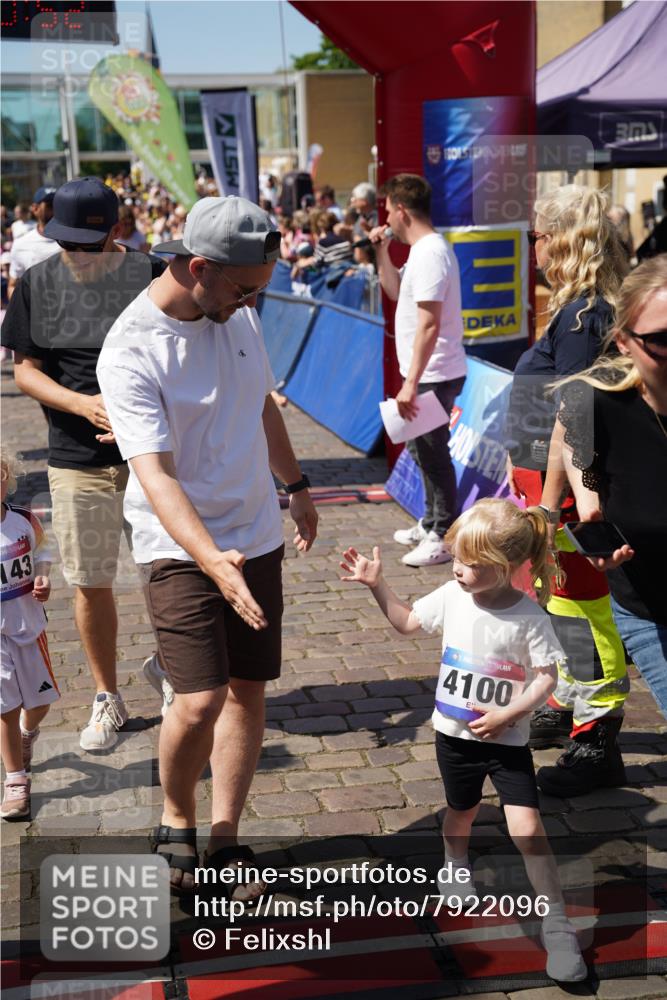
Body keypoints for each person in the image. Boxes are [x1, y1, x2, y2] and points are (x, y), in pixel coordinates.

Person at [96, 195, 318, 895]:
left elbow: (258, 404)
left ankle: (225, 839)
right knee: (197, 700)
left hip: (254, 531)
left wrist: (297, 484)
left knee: (247, 690)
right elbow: (154, 476)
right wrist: (209, 559)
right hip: (178, 544)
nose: (255, 300)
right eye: (246, 287)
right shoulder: (132, 347)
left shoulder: (239, 312)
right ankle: (174, 821)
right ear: (197, 268)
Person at [341, 498, 586, 983]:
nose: (458, 570)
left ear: (508, 567)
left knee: (527, 829)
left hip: (507, 742)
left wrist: (510, 713)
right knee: (462, 810)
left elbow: (546, 679)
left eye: (471, 564)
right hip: (454, 738)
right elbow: (408, 622)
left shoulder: (530, 617)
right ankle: (454, 863)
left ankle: (557, 923)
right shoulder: (452, 596)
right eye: (455, 558)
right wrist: (377, 585)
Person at [1, 177, 165, 752]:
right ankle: (107, 696)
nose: (75, 256)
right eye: (64, 243)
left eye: (86, 246)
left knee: (166, 571)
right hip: (76, 456)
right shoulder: (39, 281)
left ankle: (170, 668)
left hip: (154, 453)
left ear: (117, 234)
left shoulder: (152, 276)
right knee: (92, 580)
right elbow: (25, 369)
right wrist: (82, 404)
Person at [505, 185, 630, 797]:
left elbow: (572, 421)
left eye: (537, 236)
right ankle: (567, 701)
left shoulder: (584, 318)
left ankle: (597, 735)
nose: (534, 247)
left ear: (560, 240)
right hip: (545, 483)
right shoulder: (577, 309)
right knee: (558, 603)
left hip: (563, 490)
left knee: (581, 606)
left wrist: (553, 506)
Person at [553, 255, 667, 718]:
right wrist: (588, 503)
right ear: (623, 342)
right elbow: (568, 430)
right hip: (650, 607)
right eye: (661, 340)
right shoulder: (601, 402)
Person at [370, 174, 467, 566]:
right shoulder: (421, 252)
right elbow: (394, 292)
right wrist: (381, 252)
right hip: (426, 372)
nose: (387, 218)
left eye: (389, 210)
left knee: (432, 453)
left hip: (434, 373)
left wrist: (410, 383)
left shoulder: (430, 254)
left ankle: (443, 533)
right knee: (420, 450)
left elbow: (429, 323)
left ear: (402, 210)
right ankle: (431, 522)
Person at [1, 449, 58, 820]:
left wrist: (43, 576)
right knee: (4, 705)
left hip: (29, 625)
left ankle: (27, 734)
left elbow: (44, 550)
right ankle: (15, 780)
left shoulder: (23, 521)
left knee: (39, 702)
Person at [7, 187, 59, 298]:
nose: (56, 210)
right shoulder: (21, 244)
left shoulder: (76, 242)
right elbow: (13, 286)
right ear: (35, 209)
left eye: (59, 205)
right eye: (50, 206)